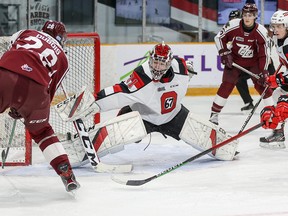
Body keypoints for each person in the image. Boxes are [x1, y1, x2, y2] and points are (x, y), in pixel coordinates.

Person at [65, 42, 239, 162]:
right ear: (150, 59)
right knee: (109, 137)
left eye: (162, 64)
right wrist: (93, 103)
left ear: (169, 63)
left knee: (221, 147)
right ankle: (74, 152)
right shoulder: (141, 77)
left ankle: (228, 147)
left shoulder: (181, 69)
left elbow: (187, 66)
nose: (157, 67)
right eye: (155, 62)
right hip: (142, 117)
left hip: (174, 116)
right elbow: (118, 92)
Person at [0, 20, 80, 192]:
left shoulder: (25, 32)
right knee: (42, 131)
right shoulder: (63, 59)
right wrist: (25, 108)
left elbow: (12, 50)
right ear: (61, 38)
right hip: (36, 90)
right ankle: (66, 172)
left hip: (6, 73)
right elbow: (48, 92)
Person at [209, 0, 274, 126]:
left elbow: (264, 54)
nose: (247, 18)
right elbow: (219, 38)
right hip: (234, 61)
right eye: (245, 15)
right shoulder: (233, 24)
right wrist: (224, 53)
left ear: (255, 16)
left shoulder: (261, 31)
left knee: (263, 87)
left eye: (250, 15)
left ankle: (272, 113)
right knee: (226, 85)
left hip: (254, 63)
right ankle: (214, 115)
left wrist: (264, 71)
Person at [259, 10, 288, 149]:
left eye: (279, 26)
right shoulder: (278, 39)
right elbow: (284, 61)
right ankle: (278, 134)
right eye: (274, 26)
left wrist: (279, 79)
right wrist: (275, 77)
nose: (275, 29)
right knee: (278, 94)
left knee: (284, 104)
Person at [229, 9, 255, 112]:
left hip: (261, 63)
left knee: (270, 82)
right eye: (231, 20)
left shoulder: (253, 30)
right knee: (239, 79)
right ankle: (248, 102)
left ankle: (281, 101)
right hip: (249, 65)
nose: (233, 22)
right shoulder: (232, 33)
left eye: (235, 19)